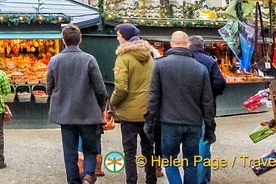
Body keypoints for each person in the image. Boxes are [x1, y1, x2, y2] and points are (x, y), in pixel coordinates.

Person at [145, 32, 215, 184]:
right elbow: (207, 102)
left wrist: (150, 123)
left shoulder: (160, 65)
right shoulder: (200, 68)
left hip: (169, 122)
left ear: (171, 44)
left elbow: (154, 97)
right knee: (191, 162)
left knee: (170, 160)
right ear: (188, 44)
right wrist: (210, 127)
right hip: (194, 123)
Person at [47, 24, 107, 184]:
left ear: (63, 40)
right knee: (90, 149)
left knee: (70, 151)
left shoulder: (54, 60)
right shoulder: (89, 59)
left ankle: (73, 180)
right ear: (80, 39)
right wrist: (100, 107)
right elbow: (100, 89)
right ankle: (88, 175)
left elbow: (49, 88)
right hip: (88, 112)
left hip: (65, 114)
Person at [110, 23, 157, 184]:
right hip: (148, 109)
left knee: (130, 152)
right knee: (148, 149)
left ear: (124, 37)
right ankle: (151, 180)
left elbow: (121, 88)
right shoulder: (150, 55)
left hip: (129, 112)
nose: (117, 38)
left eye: (118, 35)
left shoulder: (123, 57)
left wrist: (112, 103)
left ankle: (132, 181)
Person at [188, 36, 227, 183]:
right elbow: (220, 82)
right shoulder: (209, 61)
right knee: (204, 142)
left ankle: (201, 177)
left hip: (187, 108)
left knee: (193, 143)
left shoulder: (184, 60)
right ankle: (201, 178)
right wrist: (211, 94)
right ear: (202, 46)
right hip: (207, 107)